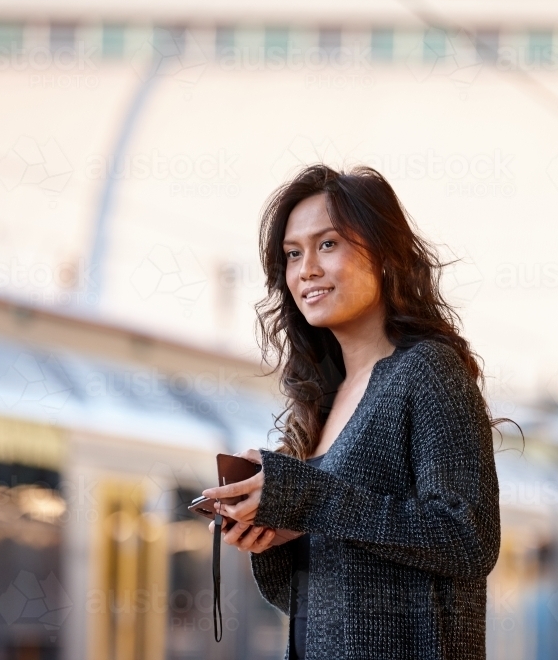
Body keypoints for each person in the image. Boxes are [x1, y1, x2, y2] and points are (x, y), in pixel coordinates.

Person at [203, 164, 517, 659]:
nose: (306, 269)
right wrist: (276, 536)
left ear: (386, 254)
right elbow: (325, 600)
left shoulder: (427, 370)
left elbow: (468, 538)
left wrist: (308, 499)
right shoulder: (321, 401)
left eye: (328, 244)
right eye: (292, 254)